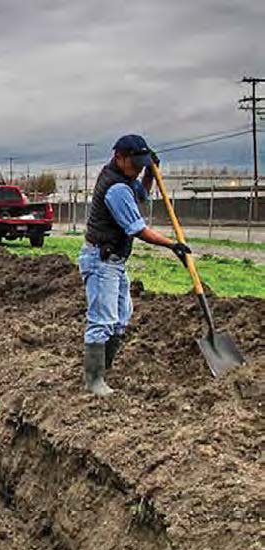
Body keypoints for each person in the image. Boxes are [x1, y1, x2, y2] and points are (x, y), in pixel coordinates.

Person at [79, 134, 192, 397]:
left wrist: (151, 173)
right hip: (101, 260)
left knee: (121, 317)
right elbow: (138, 229)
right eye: (136, 163)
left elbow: (142, 195)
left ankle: (102, 371)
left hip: (115, 261)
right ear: (119, 157)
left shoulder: (126, 178)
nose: (139, 168)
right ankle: (93, 381)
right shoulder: (115, 188)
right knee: (102, 320)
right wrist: (172, 245)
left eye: (143, 164)